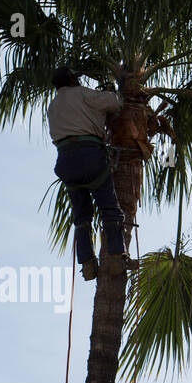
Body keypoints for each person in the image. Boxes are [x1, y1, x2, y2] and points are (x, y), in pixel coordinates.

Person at [48, 66, 128, 280]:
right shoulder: (83, 93)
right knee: (109, 208)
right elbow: (114, 103)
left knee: (82, 217)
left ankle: (87, 263)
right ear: (73, 79)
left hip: (66, 161)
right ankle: (117, 258)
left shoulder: (53, 106)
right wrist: (112, 91)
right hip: (90, 156)